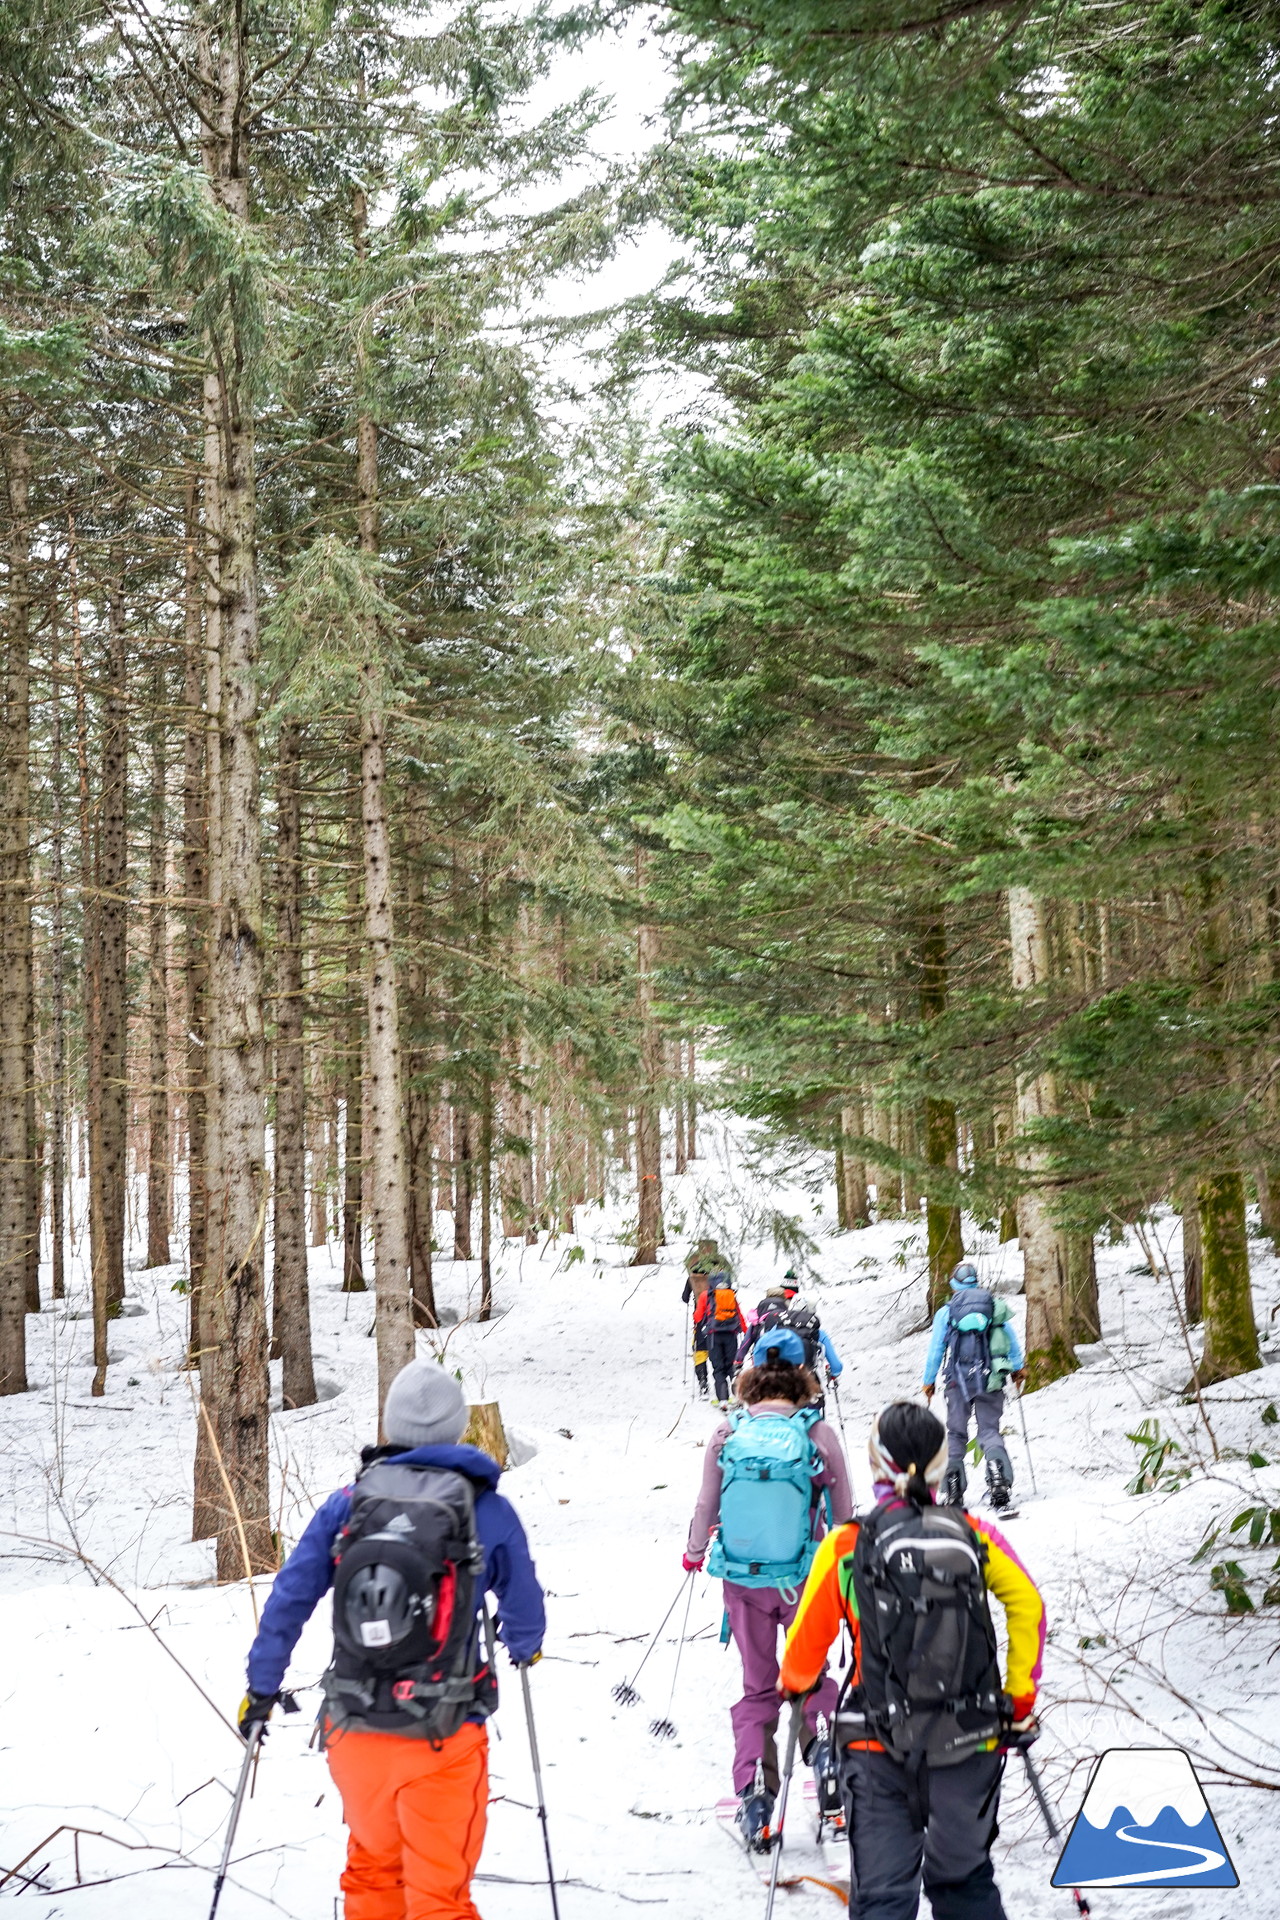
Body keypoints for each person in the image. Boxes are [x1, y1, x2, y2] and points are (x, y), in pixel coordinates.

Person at [239, 1359, 545, 1920]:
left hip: (353, 1731)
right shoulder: (488, 1510)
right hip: (443, 1735)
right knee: (438, 1899)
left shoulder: (347, 1504)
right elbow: (525, 1608)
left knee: (373, 1874)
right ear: (458, 1428)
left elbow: (289, 1596)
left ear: (390, 1426)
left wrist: (262, 1688)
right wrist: (524, 1646)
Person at [780, 1401, 1045, 1920]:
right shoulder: (974, 1533)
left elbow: (800, 1660)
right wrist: (1018, 1697)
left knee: (882, 1899)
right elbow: (1029, 1606)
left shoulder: (845, 1546)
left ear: (876, 1465)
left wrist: (796, 1687)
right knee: (965, 1883)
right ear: (942, 1464)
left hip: (877, 1742)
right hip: (971, 1738)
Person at [683, 1331, 853, 1850]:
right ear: (804, 1375)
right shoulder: (817, 1433)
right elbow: (844, 1509)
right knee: (811, 1674)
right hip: (805, 1580)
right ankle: (825, 1753)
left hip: (743, 1580)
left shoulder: (727, 1432)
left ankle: (756, 1794)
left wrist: (694, 1552)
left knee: (759, 1687)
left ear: (753, 1374)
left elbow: (707, 1503)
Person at [921, 1260, 1025, 1510]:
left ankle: (953, 1489)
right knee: (989, 1430)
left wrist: (928, 1381)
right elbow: (1010, 1339)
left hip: (957, 1381)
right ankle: (998, 1480)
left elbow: (936, 1349)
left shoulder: (947, 1312)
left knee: (956, 1432)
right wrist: (1018, 1368)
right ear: (976, 1281)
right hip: (990, 1378)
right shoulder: (993, 1305)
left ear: (953, 1284)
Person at [704, 1269, 746, 1407]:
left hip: (714, 1335)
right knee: (731, 1366)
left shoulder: (708, 1295)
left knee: (718, 1368)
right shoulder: (731, 1295)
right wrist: (746, 1331)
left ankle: (722, 1398)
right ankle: (736, 1396)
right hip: (731, 1334)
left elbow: (699, 1315)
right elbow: (738, 1314)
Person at [682, 1262, 713, 1398]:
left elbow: (684, 1298)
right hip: (718, 1320)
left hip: (700, 1319)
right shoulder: (716, 1278)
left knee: (699, 1352)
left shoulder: (692, 1279)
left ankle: (703, 1382)